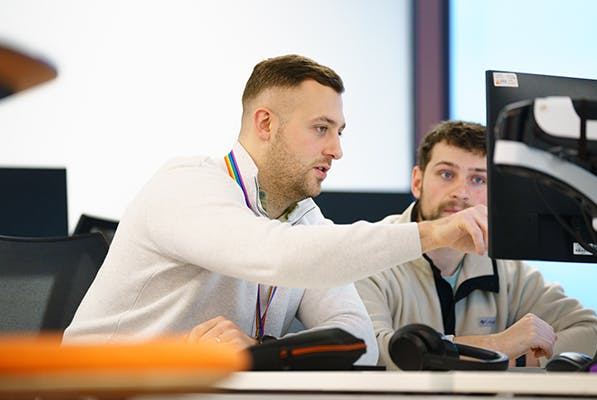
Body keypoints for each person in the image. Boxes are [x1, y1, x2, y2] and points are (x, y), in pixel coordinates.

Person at [63, 55, 488, 366]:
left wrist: (260, 350)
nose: (337, 150)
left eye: (339, 132)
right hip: (101, 391)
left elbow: (360, 342)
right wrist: (433, 233)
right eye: (321, 129)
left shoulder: (302, 219)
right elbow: (276, 255)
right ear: (265, 124)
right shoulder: (185, 184)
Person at [355, 120, 597, 369]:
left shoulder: (505, 266)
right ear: (417, 182)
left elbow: (591, 332)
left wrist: (514, 359)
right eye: (446, 174)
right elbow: (370, 352)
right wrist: (496, 347)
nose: (461, 192)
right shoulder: (372, 253)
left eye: (478, 179)